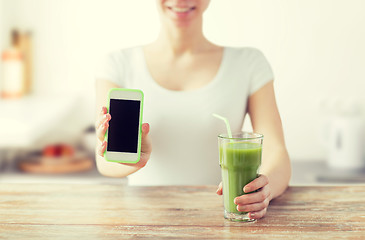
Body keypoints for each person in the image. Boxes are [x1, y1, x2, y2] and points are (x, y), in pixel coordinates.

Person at [94, 0, 291, 220]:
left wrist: (265, 189)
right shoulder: (117, 64)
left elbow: (276, 151)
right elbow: (103, 159)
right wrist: (134, 160)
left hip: (221, 220)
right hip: (141, 223)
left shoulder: (248, 63)